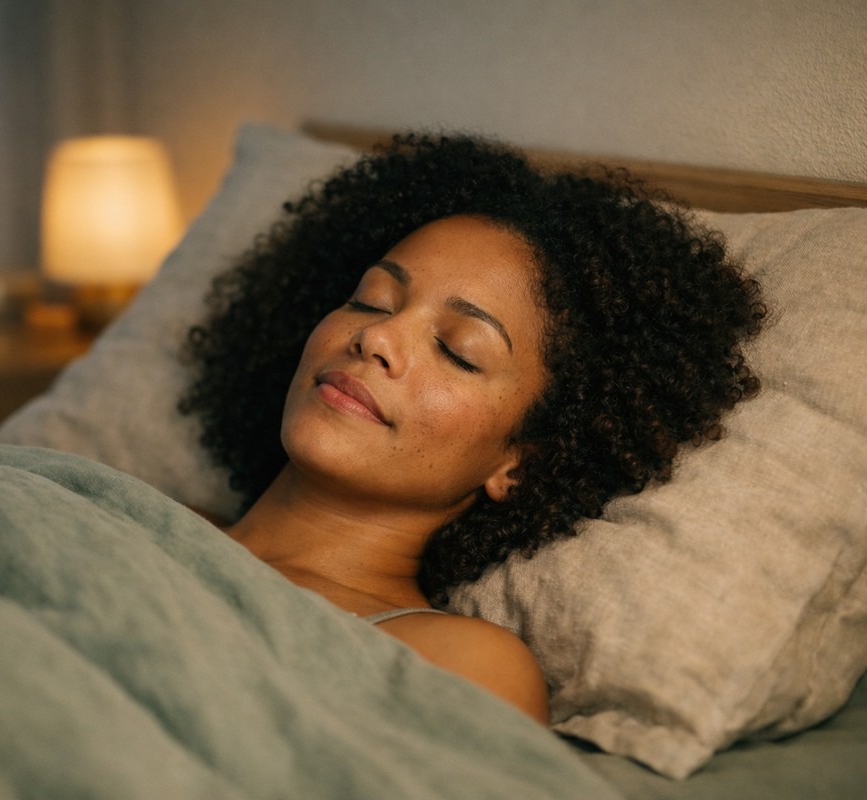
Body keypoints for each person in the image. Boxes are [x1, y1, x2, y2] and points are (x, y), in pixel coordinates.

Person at [179, 133, 766, 722]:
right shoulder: (127, 506)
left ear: (520, 463)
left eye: (458, 351)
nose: (376, 337)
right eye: (371, 301)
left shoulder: (457, 664)